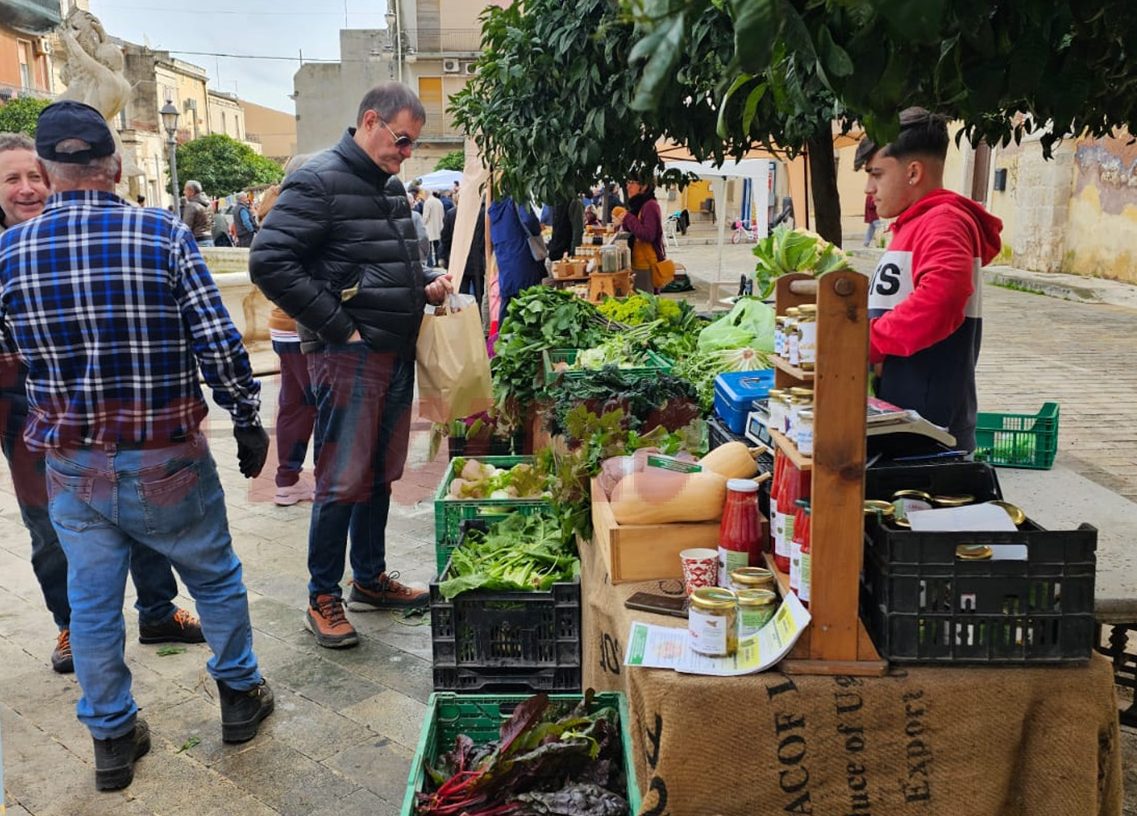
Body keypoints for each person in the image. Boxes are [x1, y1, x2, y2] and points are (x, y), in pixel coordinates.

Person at [0, 101, 273, 791]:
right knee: (213, 575)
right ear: (115, 167)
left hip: (71, 463)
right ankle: (239, 698)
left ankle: (112, 739)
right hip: (165, 455)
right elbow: (217, 341)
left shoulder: (9, 253)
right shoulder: (161, 233)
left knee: (91, 603)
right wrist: (245, 417)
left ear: (51, 174)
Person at [249, 82, 453, 650]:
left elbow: (376, 265)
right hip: (347, 356)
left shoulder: (387, 188)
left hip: (392, 351)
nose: (408, 152)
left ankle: (369, 578)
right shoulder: (317, 179)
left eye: (413, 143)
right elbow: (269, 259)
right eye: (404, 140)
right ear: (371, 121)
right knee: (341, 480)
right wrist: (340, 327)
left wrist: (423, 286)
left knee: (380, 475)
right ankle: (322, 597)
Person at [0, 131, 205, 676]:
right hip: (26, 410)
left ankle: (157, 609)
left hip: (110, 406)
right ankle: (72, 624)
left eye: (34, 176)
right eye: (12, 179)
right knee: (47, 522)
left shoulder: (95, 234)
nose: (27, 189)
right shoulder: (4, 252)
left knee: (139, 503)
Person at [854, 107, 1003, 451]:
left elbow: (942, 299)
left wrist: (867, 341)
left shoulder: (943, 223)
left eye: (876, 174)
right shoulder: (915, 224)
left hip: (930, 426)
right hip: (907, 417)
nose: (868, 188)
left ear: (913, 172)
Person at [261, 155, 318, 507]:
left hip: (281, 324)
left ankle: (287, 479)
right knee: (321, 403)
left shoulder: (273, 211)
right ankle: (321, 480)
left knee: (293, 404)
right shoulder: (299, 213)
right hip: (303, 326)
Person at [622, 179, 667, 292]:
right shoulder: (638, 206)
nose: (628, 187)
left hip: (646, 264)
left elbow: (648, 235)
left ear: (644, 186)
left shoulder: (650, 206)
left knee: (645, 302)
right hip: (636, 262)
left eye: (632, 183)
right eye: (627, 183)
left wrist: (628, 217)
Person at [547, 196, 584, 262]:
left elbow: (577, 231)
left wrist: (573, 253)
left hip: (565, 255)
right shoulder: (556, 202)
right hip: (557, 253)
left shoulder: (574, 202)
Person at [181, 180, 214, 247]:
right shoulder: (209, 205)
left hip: (197, 241)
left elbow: (186, 228)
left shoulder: (191, 206)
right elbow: (212, 223)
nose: (184, 192)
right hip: (209, 240)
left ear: (192, 192)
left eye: (185, 190)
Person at [422, 189, 445, 267]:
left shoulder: (427, 202)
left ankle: (430, 263)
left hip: (429, 228)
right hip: (439, 227)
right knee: (437, 246)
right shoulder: (439, 201)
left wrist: (422, 224)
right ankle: (438, 262)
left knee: (429, 248)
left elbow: (425, 217)